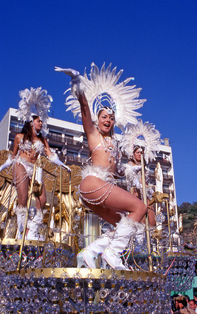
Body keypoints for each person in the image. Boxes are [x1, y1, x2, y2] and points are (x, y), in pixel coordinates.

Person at [55, 64, 150, 270]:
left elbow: (120, 175)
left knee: (122, 225)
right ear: (98, 120)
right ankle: (113, 253)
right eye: (104, 116)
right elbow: (84, 111)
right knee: (139, 208)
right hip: (92, 184)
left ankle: (91, 252)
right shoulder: (94, 135)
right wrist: (78, 86)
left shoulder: (114, 145)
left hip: (96, 192)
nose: (108, 120)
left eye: (111, 117)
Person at [0, 87, 70, 240]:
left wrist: (63, 165)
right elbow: (12, 157)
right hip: (20, 165)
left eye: (41, 121)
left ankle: (32, 228)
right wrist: (2, 167)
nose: (41, 123)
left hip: (35, 168)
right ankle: (20, 231)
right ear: (32, 122)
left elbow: (51, 156)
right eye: (39, 121)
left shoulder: (43, 140)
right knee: (23, 198)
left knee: (42, 199)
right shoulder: (19, 137)